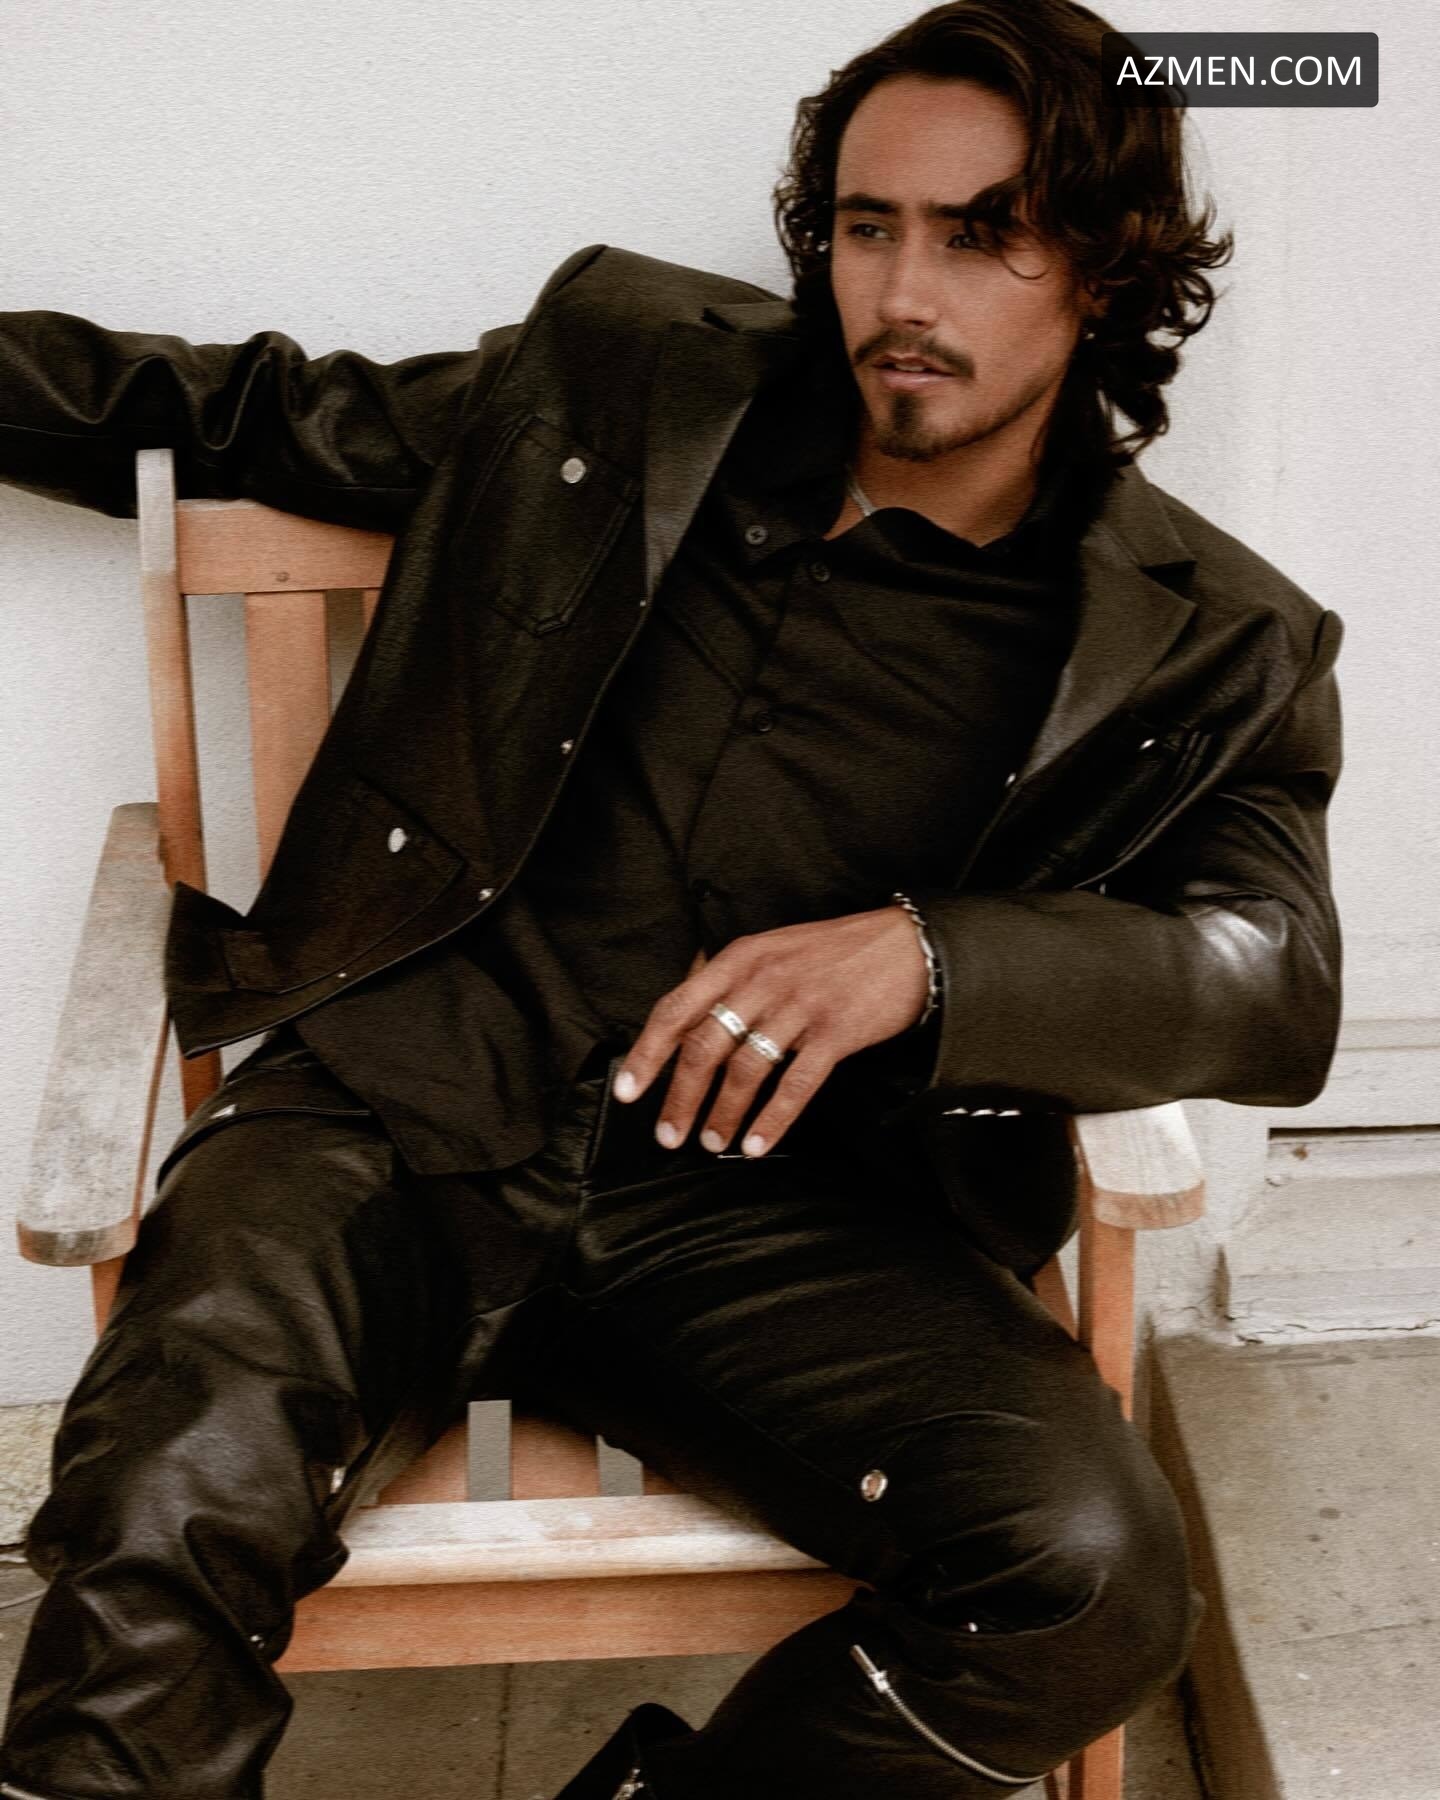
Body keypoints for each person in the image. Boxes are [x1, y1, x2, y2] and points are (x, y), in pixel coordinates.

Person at [0, 1, 1343, 1795]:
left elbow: (1271, 975)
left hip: (785, 1218)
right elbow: (247, 408)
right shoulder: (632, 385)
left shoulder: (1210, 641)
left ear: (1104, 269)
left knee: (1086, 1577)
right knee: (161, 1501)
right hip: (402, 1114)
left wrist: (931, 963)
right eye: (866, 226)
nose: (902, 291)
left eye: (982, 236)